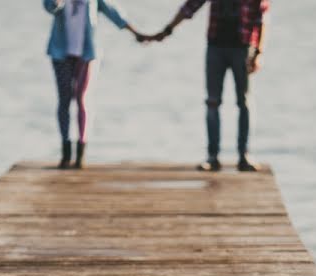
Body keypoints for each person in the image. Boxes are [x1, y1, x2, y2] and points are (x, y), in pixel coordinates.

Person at [154, 0, 270, 172]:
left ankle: (244, 155)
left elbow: (262, 18)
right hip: (216, 46)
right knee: (212, 102)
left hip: (243, 48)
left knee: (244, 102)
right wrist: (168, 29)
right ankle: (212, 157)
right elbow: (190, 7)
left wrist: (258, 53)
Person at [43, 0, 149, 169]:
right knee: (64, 99)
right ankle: (65, 152)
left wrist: (136, 33)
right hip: (60, 52)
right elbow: (50, 7)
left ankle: (81, 152)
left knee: (82, 98)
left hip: (87, 53)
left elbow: (114, 13)